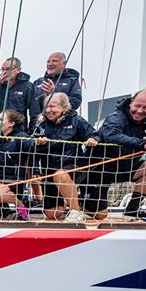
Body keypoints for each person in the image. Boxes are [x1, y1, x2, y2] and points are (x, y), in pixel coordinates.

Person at [84, 89, 146, 220]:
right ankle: (77, 200)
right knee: (100, 215)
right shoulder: (116, 116)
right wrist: (145, 144)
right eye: (137, 106)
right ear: (131, 102)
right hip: (100, 171)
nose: (139, 110)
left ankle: (132, 210)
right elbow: (112, 136)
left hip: (126, 167)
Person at [31, 92, 98, 222]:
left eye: (53, 106)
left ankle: (76, 211)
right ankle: (69, 199)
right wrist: (35, 169)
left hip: (72, 166)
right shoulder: (41, 124)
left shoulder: (76, 120)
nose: (49, 110)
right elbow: (32, 149)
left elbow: (94, 134)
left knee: (60, 174)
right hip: (49, 169)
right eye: (47, 107)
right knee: (52, 214)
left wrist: (93, 139)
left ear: (64, 108)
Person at [0, 109, 34, 221]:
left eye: (1, 119)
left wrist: (36, 142)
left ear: (11, 123)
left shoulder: (20, 136)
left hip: (13, 180)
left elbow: (31, 146)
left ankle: (20, 205)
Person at [30, 51, 82, 122]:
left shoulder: (72, 80)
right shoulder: (38, 82)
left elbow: (76, 102)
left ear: (64, 64)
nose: (50, 64)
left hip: (62, 124)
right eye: (48, 62)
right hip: (39, 124)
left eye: (54, 61)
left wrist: (55, 94)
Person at [0, 57, 34, 126]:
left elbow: (33, 110)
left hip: (18, 128)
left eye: (8, 69)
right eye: (2, 69)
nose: (4, 72)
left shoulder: (27, 86)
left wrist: (31, 130)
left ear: (18, 70)